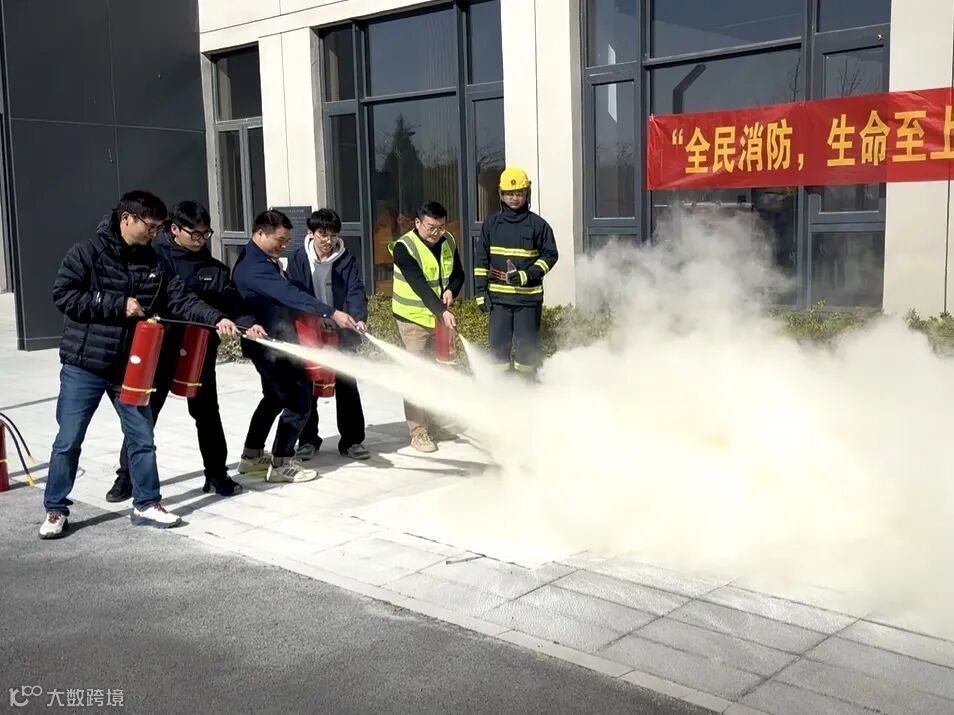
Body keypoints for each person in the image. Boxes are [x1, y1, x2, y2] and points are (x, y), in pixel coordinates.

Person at [40, 191, 240, 539]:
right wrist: (117, 304)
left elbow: (181, 299)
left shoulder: (155, 261)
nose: (154, 233)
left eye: (159, 227)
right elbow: (64, 295)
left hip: (129, 368)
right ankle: (56, 508)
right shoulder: (87, 253)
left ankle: (146, 503)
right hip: (85, 365)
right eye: (151, 226)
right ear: (127, 219)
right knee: (69, 440)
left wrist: (216, 318)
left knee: (142, 437)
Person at [105, 201, 267, 503]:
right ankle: (126, 477)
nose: (200, 240)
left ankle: (216, 474)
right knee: (144, 415)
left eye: (206, 234)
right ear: (174, 229)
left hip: (198, 351)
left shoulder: (215, 270)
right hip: (157, 351)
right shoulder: (154, 259)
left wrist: (250, 323)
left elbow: (233, 305)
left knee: (207, 414)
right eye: (194, 233)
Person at [232, 209, 360, 483]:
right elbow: (289, 294)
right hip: (271, 347)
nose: (284, 246)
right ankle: (282, 463)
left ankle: (252, 456)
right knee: (299, 402)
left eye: (287, 240)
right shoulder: (255, 267)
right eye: (280, 240)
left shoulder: (260, 258)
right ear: (260, 234)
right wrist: (331, 312)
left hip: (270, 342)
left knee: (274, 399)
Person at [286, 208, 371, 461]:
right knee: (308, 386)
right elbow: (294, 296)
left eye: (333, 235)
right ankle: (307, 440)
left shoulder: (346, 259)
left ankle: (352, 441)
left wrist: (357, 316)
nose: (328, 241)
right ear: (311, 233)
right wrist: (314, 321)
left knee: (347, 385)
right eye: (323, 234)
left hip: (341, 332)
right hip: (310, 333)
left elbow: (356, 290)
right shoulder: (298, 259)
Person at [388, 201, 464, 453]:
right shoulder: (404, 247)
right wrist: (442, 311)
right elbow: (418, 284)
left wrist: (452, 289)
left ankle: (435, 424)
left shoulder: (448, 240)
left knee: (437, 372)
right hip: (412, 320)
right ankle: (418, 432)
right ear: (417, 222)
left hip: (438, 319)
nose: (436, 232)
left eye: (441, 227)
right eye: (431, 227)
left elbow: (458, 273)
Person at [474, 167, 558, 375]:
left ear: (527, 193)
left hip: (528, 301)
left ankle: (525, 387)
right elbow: (481, 261)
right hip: (499, 300)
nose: (514, 198)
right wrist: (481, 293)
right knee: (497, 351)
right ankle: (500, 388)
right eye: (509, 193)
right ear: (501, 194)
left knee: (527, 352)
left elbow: (550, 256)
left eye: (519, 193)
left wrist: (526, 275)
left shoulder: (538, 225)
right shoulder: (491, 224)